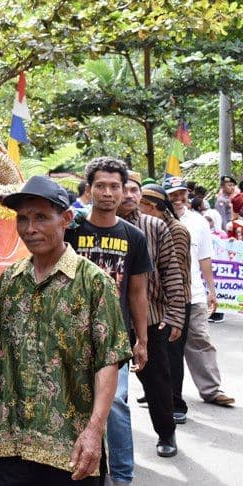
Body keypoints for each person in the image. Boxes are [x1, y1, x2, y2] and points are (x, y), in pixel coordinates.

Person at [0, 175, 131, 486]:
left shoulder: (94, 282)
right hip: (13, 443)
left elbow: (108, 363)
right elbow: (0, 353)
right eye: (23, 218)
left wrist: (95, 431)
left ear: (66, 219)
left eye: (41, 217)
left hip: (71, 449)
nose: (30, 228)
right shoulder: (10, 281)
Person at [64, 157, 150, 486]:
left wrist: (142, 340)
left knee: (114, 402)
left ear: (124, 190)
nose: (108, 192)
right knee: (74, 401)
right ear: (89, 190)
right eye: (101, 185)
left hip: (115, 336)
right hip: (72, 332)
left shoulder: (133, 237)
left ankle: (123, 476)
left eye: (115, 186)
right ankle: (77, 467)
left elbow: (138, 292)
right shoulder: (71, 230)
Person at [116, 171, 184, 458]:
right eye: (125, 189)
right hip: (111, 321)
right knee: (111, 389)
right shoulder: (93, 227)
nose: (130, 195)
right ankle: (114, 444)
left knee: (158, 382)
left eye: (135, 190)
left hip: (153, 317)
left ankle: (166, 433)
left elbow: (173, 272)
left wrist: (177, 313)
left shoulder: (155, 226)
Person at [164, 178, 235, 413]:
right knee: (164, 347)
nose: (178, 198)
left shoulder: (198, 222)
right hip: (163, 297)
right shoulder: (156, 220)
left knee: (201, 340)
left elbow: (205, 257)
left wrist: (211, 291)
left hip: (194, 295)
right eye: (172, 194)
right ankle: (160, 393)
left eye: (181, 193)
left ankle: (212, 390)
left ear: (187, 194)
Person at [137, 184, 192, 425]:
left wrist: (174, 311)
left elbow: (176, 273)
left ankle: (176, 403)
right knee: (156, 361)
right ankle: (158, 396)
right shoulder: (146, 228)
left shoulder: (176, 230)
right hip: (154, 304)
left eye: (141, 206)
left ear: (151, 207)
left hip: (174, 303)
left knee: (171, 358)